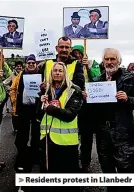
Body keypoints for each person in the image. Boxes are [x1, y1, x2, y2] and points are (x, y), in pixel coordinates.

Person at [91, 48, 134, 192]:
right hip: (103, 134)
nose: (110, 62)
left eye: (113, 59)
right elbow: (93, 110)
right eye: (107, 59)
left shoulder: (130, 78)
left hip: (123, 135)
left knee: (125, 173)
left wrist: (128, 99)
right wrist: (87, 98)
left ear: (119, 61)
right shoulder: (97, 80)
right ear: (103, 61)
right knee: (107, 172)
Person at [38, 62, 83, 192]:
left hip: (66, 143)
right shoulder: (46, 90)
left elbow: (70, 115)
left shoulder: (74, 90)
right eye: (55, 71)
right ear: (51, 73)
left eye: (60, 71)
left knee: (68, 179)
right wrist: (40, 103)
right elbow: (38, 115)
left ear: (65, 73)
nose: (57, 73)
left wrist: (50, 108)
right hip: (48, 140)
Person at [71, 45, 101, 172]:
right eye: (75, 53)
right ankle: (72, 160)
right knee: (71, 134)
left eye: (79, 53)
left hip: (88, 105)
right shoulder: (70, 64)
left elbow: (97, 78)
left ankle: (85, 162)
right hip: (72, 103)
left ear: (83, 54)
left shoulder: (93, 63)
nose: (77, 55)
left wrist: (87, 67)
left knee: (86, 136)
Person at [10, 54, 41, 173]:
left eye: (33, 63)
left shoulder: (41, 75)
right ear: (26, 64)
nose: (31, 65)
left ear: (36, 64)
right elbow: (13, 89)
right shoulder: (20, 75)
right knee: (22, 132)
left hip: (36, 108)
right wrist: (14, 101)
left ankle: (35, 153)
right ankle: (22, 152)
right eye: (29, 63)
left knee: (36, 132)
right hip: (24, 108)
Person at [3, 60, 23, 132]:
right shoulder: (12, 75)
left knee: (21, 112)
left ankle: (20, 127)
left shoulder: (24, 74)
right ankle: (15, 128)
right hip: (14, 97)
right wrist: (10, 89)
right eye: (17, 66)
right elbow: (4, 83)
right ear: (15, 67)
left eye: (20, 66)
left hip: (22, 97)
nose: (19, 67)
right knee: (14, 112)